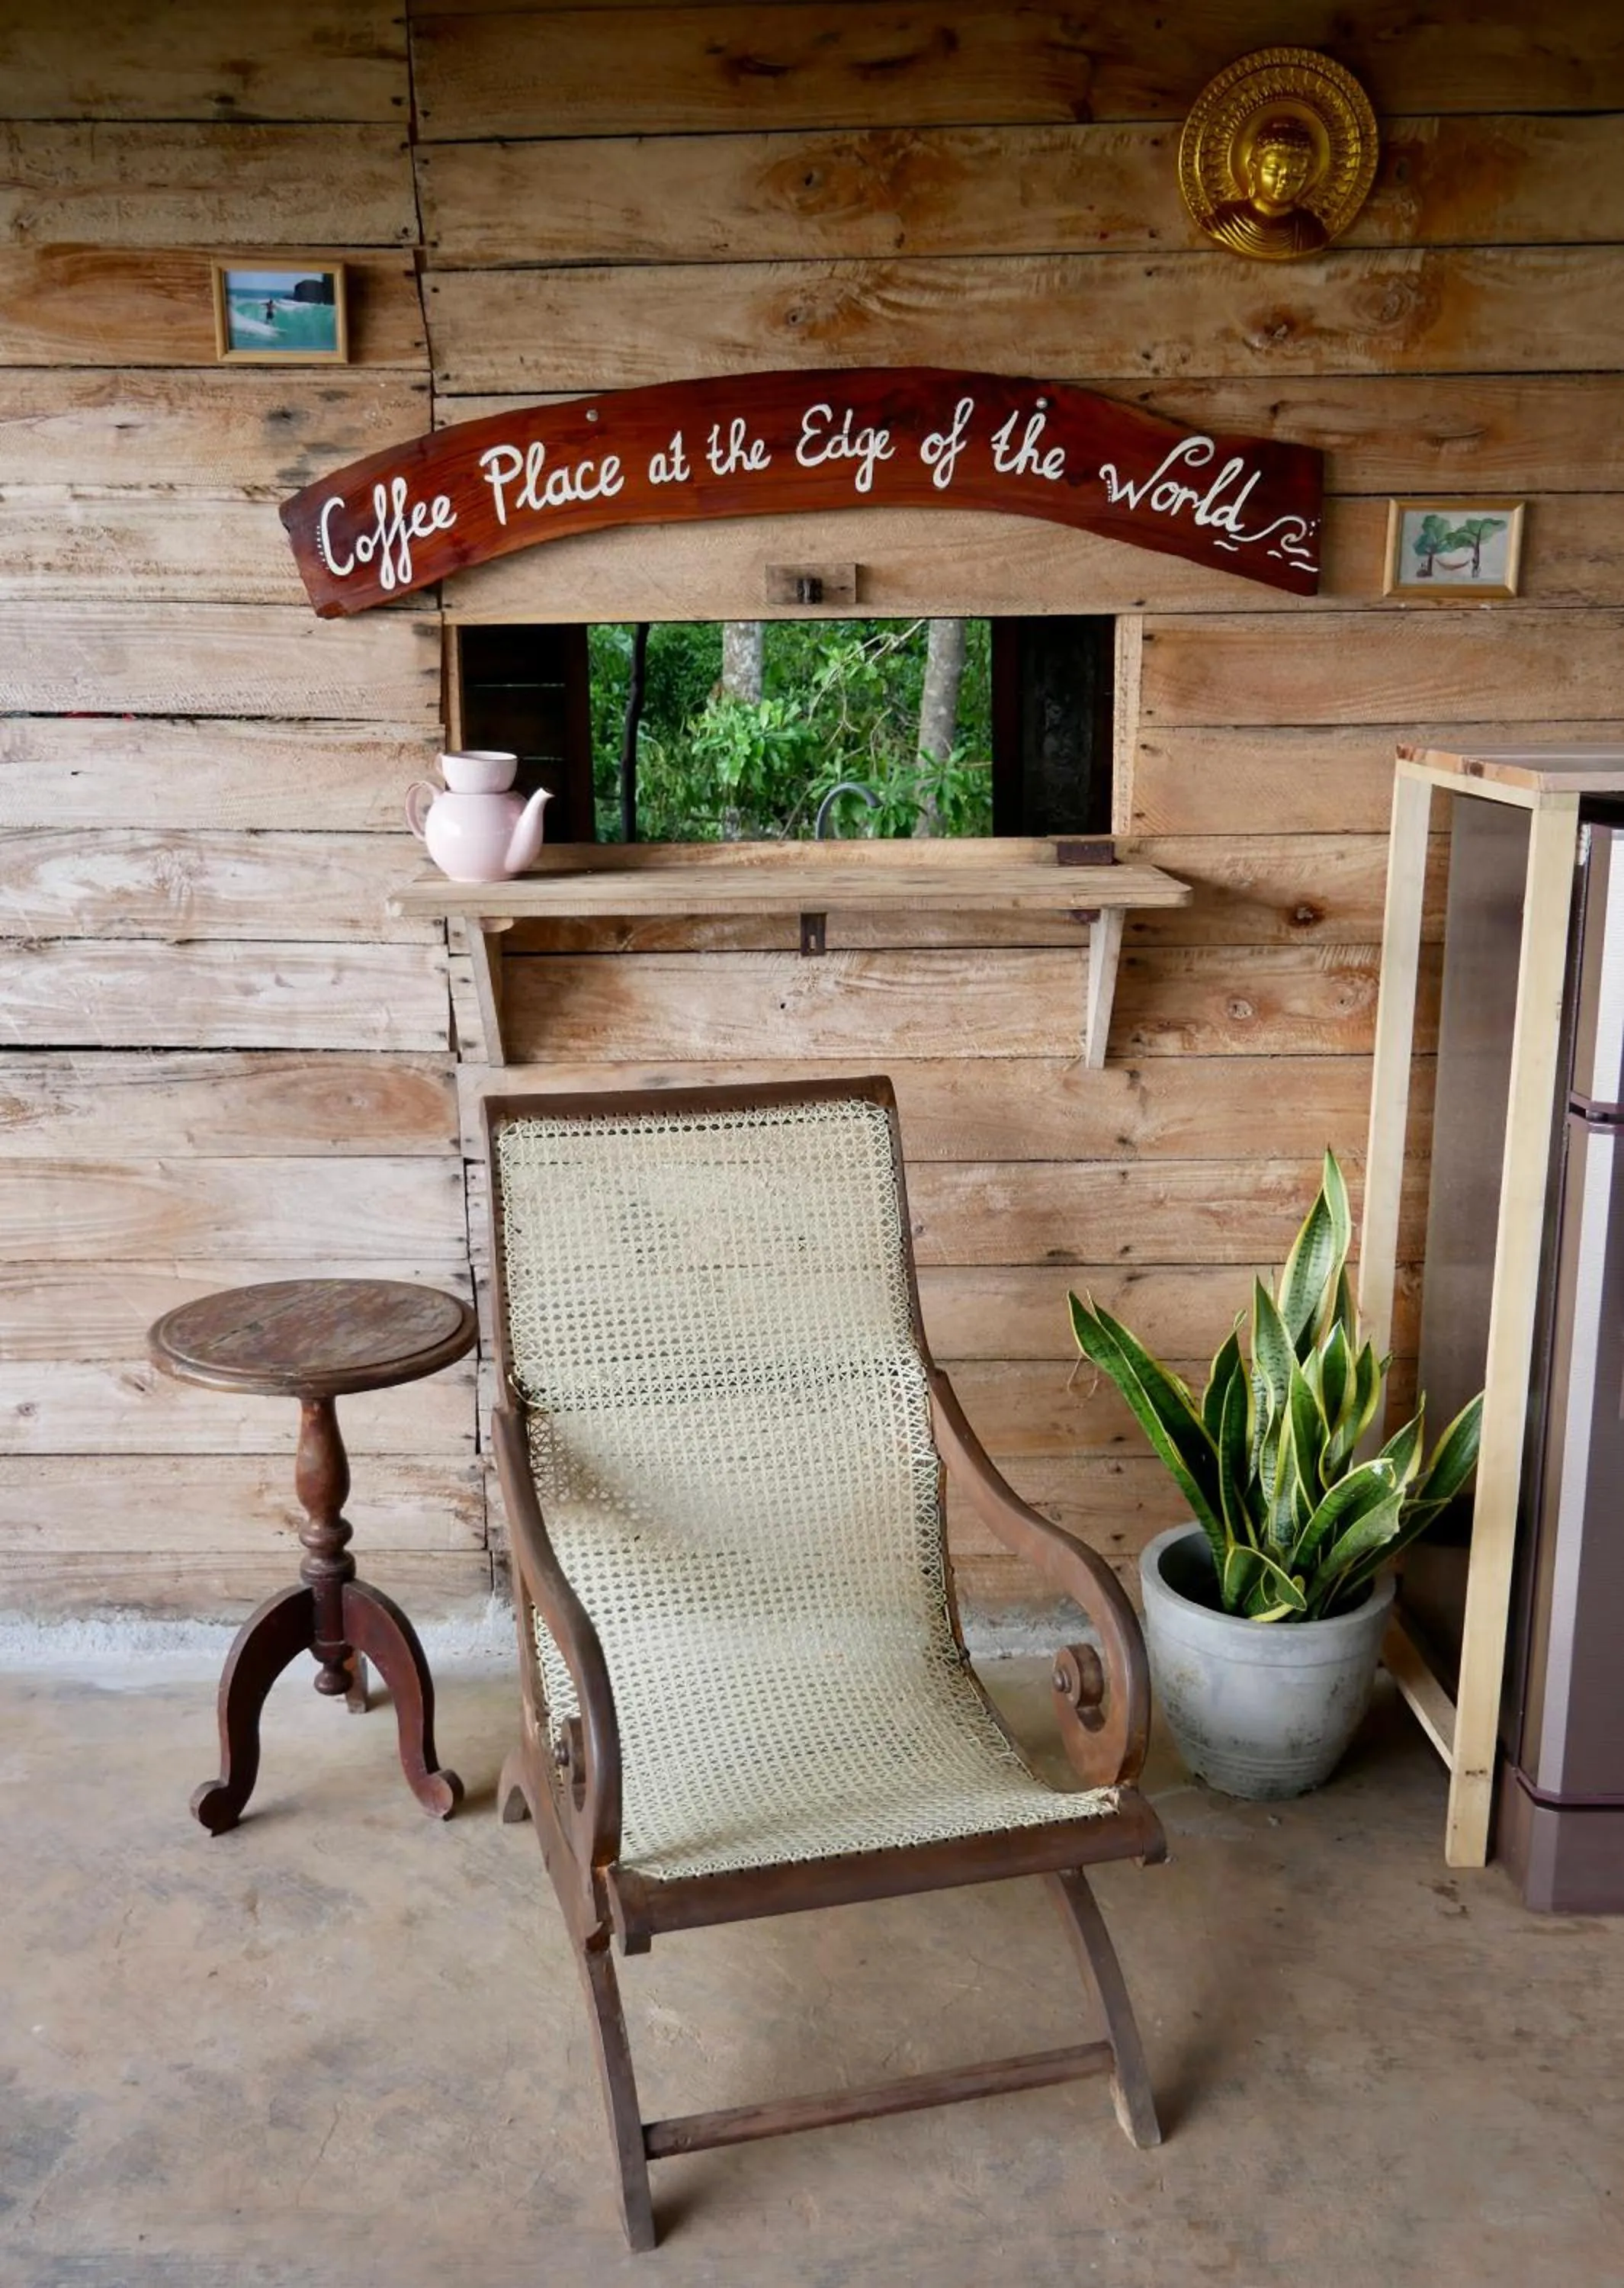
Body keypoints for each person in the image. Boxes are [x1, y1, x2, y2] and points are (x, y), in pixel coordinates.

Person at [1208, 116, 1328, 259]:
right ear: (1253, 170)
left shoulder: (1311, 231)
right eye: (1273, 171)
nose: (1284, 181)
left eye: (1296, 175)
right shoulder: (1223, 222)